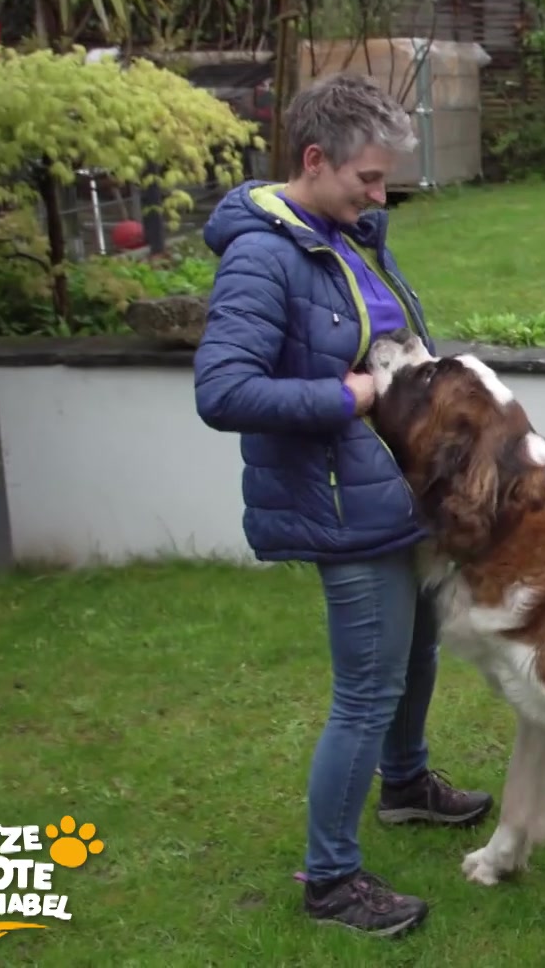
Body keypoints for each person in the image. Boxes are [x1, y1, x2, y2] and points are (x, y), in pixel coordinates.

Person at [193, 73, 493, 937]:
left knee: (419, 657)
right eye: (367, 176)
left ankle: (406, 785)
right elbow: (224, 392)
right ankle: (331, 879)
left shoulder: (345, 234)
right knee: (366, 688)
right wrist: (350, 396)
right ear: (314, 159)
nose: (379, 193)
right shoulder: (262, 253)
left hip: (399, 491)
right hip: (341, 507)